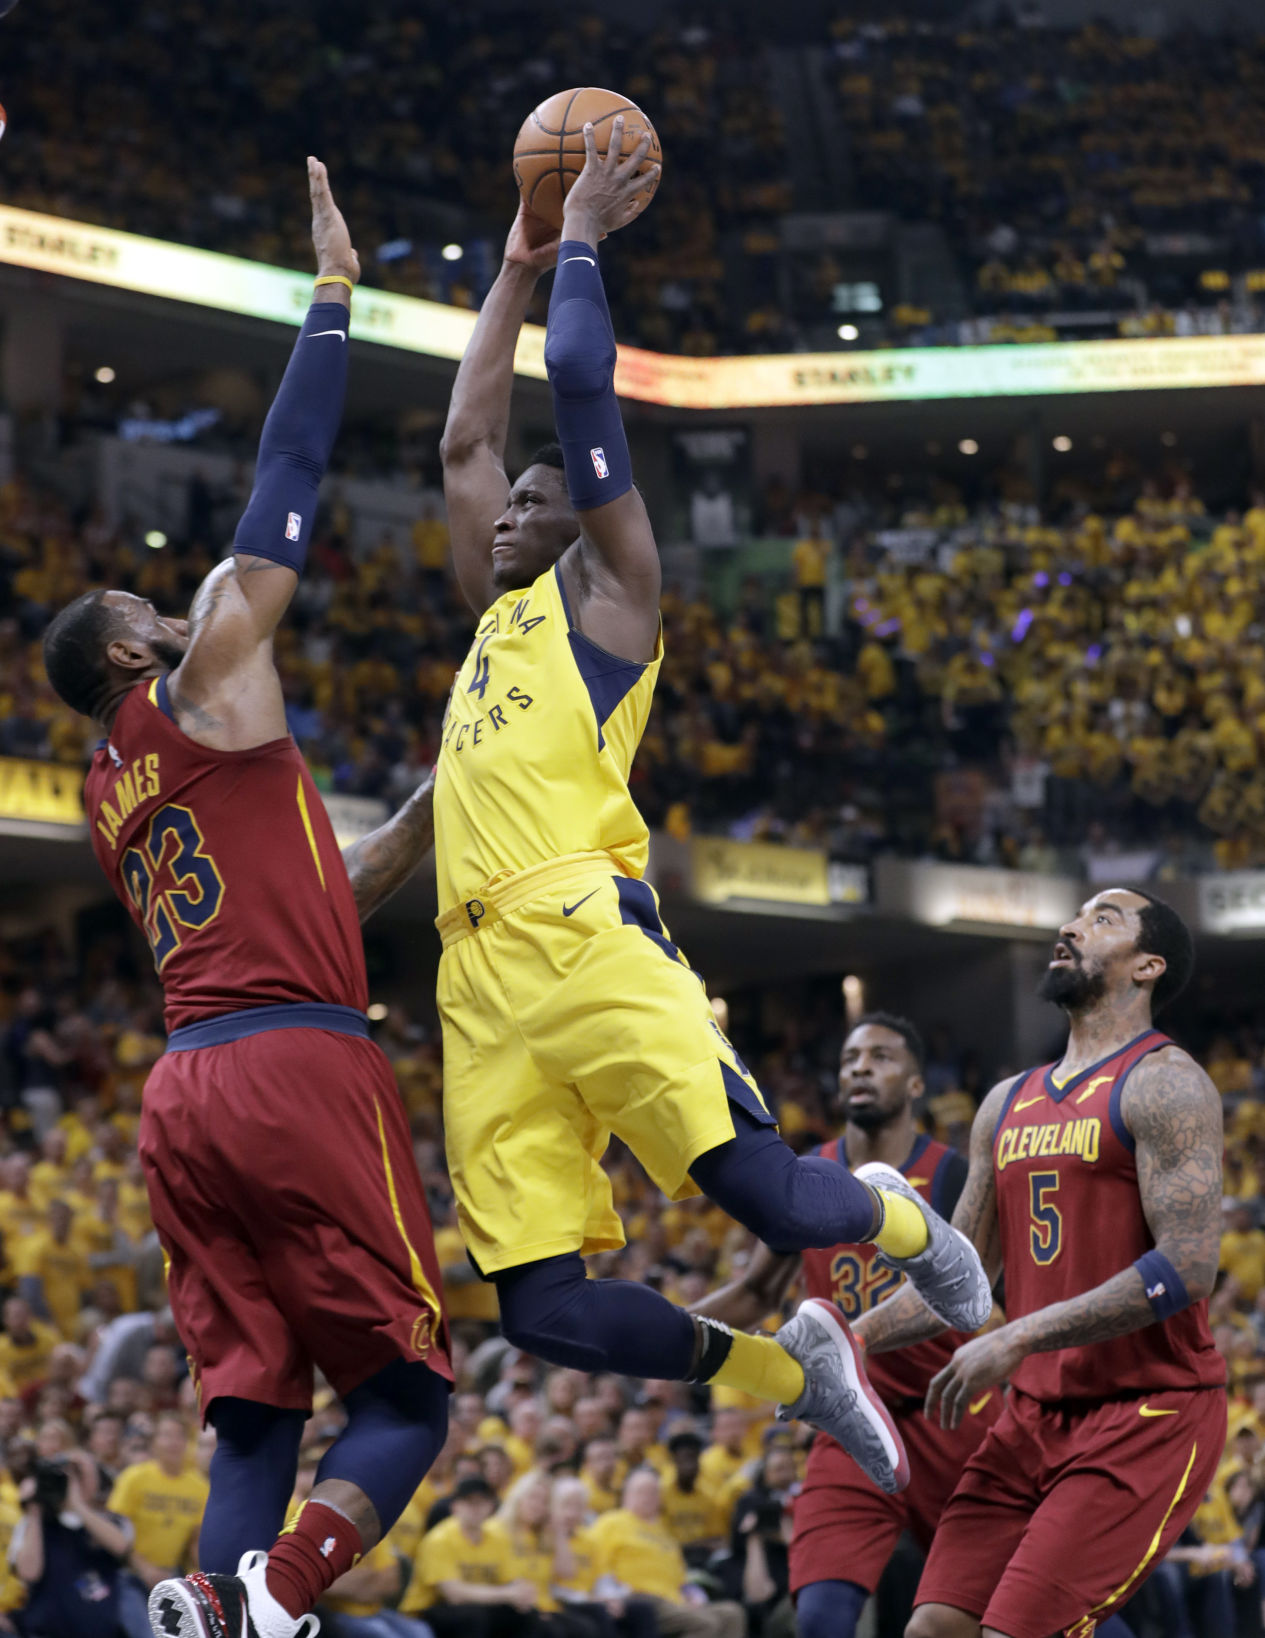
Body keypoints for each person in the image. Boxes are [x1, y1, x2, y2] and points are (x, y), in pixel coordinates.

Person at [435, 117, 990, 1494]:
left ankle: (920, 1231)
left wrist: (577, 248)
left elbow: (572, 384)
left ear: (588, 517)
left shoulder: (617, 605)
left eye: (533, 494)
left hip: (587, 929)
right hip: (476, 976)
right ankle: (787, 1369)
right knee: (540, 1311)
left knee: (771, 1196)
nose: (504, 506)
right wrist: (510, 262)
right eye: (503, 500)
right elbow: (459, 440)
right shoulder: (492, 612)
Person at [40, 161, 451, 1638]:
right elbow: (286, 485)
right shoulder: (206, 672)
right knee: (410, 1388)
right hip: (293, 1068)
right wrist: (332, 295)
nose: (176, 595)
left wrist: (429, 809)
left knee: (256, 1409)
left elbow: (315, 896)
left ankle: (213, 1599)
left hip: (191, 1088)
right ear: (136, 658)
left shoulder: (109, 793)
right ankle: (284, 1589)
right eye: (148, 608)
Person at [855, 889, 1227, 1638]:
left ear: (1146, 966)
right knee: (931, 1627)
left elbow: (1184, 1267)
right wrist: (838, 1343)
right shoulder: (1004, 1102)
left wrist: (1018, 1335)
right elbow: (955, 1283)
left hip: (1144, 1412)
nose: (1069, 926)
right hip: (1030, 1418)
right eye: (1075, 915)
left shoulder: (1166, 1083)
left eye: (1102, 920)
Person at [696, 1014, 1002, 1638]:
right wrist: (666, 1329)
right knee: (820, 1616)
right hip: (850, 1414)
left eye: (881, 1057)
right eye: (850, 1058)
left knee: (1021, 1609)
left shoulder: (950, 1174)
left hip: (953, 1413)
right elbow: (757, 1290)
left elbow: (986, 1304)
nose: (860, 1066)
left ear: (917, 1084)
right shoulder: (808, 1174)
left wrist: (852, 1336)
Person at [588, 1469, 745, 1638]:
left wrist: (692, 1595)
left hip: (675, 1600)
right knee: (704, 1623)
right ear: (626, 1494)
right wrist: (609, 1594)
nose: (648, 1497)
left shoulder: (664, 1531)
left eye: (654, 1492)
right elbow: (596, 1561)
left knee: (732, 1613)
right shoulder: (611, 1522)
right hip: (639, 1596)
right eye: (642, 1491)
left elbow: (680, 1575)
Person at [10, 1446, 133, 1638]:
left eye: (79, 1471)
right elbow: (28, 1573)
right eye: (66, 1473)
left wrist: (76, 1505)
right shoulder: (34, 1522)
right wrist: (35, 1509)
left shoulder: (113, 1521)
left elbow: (121, 1546)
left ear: (97, 1478)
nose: (72, 1478)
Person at [109, 1411, 209, 1636]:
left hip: (171, 1577)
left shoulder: (199, 1487)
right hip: (128, 1574)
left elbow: (195, 1541)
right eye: (166, 1435)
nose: (173, 1442)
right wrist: (145, 1568)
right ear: (154, 1442)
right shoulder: (134, 1478)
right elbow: (115, 1530)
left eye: (179, 1436)